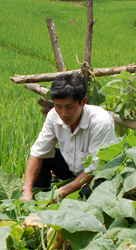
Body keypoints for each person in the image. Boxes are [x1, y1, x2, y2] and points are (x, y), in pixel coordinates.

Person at [20, 73, 115, 202]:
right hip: (71, 170)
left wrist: (62, 191)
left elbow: (95, 169)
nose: (63, 114)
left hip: (96, 175)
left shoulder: (100, 121)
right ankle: (38, 198)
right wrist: (26, 190)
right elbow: (38, 152)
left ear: (83, 102)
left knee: (88, 191)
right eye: (58, 106)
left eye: (69, 107)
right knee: (44, 157)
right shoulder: (54, 115)